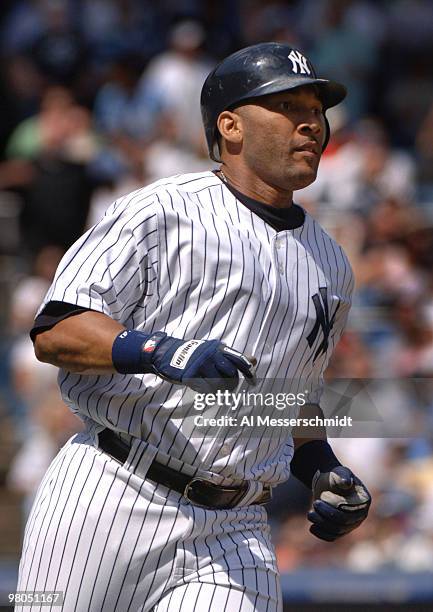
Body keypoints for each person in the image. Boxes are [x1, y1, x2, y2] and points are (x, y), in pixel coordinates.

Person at [16, 43, 371, 612]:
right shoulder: (160, 210)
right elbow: (57, 330)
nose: (311, 122)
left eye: (316, 109)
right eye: (288, 106)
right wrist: (157, 350)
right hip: (111, 493)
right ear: (229, 125)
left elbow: (288, 399)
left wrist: (322, 466)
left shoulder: (332, 264)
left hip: (235, 529)